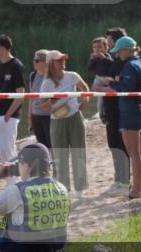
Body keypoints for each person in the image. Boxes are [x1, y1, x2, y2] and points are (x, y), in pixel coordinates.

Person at [98, 37, 141, 198]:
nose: (118, 54)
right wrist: (116, 81)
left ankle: (136, 190)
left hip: (129, 111)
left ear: (127, 50)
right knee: (139, 152)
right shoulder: (139, 63)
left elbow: (126, 88)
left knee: (134, 153)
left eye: (119, 51)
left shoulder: (129, 66)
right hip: (139, 109)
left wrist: (112, 83)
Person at [38, 50, 90, 197]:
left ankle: (80, 188)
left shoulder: (72, 76)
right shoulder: (46, 83)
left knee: (78, 151)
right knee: (60, 155)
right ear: (51, 64)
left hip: (75, 117)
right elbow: (42, 105)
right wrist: (53, 100)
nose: (62, 62)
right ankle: (64, 188)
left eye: (63, 59)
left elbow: (84, 88)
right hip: (57, 120)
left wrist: (85, 101)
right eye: (58, 60)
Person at [101, 28, 130, 192]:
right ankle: (119, 179)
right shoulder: (111, 60)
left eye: (109, 41)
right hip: (109, 109)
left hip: (119, 109)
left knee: (121, 146)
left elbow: (115, 86)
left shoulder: (122, 63)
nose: (107, 45)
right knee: (113, 144)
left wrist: (104, 85)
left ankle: (124, 181)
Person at [0, 35, 24, 166]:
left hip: (9, 115)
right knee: (2, 151)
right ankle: (10, 182)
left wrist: (8, 115)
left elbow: (20, 94)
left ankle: (16, 182)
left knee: (9, 150)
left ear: (2, 48)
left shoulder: (16, 65)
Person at [27, 50, 52, 148]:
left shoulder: (52, 76)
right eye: (33, 60)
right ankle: (46, 162)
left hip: (49, 116)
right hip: (36, 115)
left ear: (45, 62)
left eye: (37, 61)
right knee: (41, 145)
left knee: (52, 144)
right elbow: (30, 97)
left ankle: (55, 162)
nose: (34, 63)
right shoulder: (33, 75)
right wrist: (30, 118)